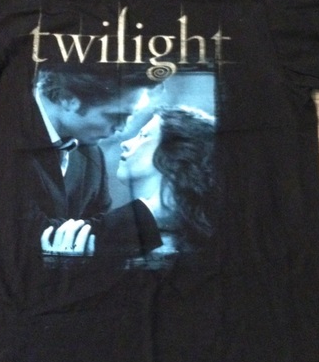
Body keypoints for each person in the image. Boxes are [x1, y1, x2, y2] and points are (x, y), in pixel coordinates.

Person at [42, 105, 217, 258]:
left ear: (177, 156)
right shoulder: (123, 230)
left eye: (143, 136)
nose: (125, 143)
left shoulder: (178, 249)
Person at [30, 62, 164, 257]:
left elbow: (95, 238)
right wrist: (153, 213)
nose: (122, 128)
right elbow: (27, 237)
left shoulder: (92, 154)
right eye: (116, 116)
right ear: (67, 98)